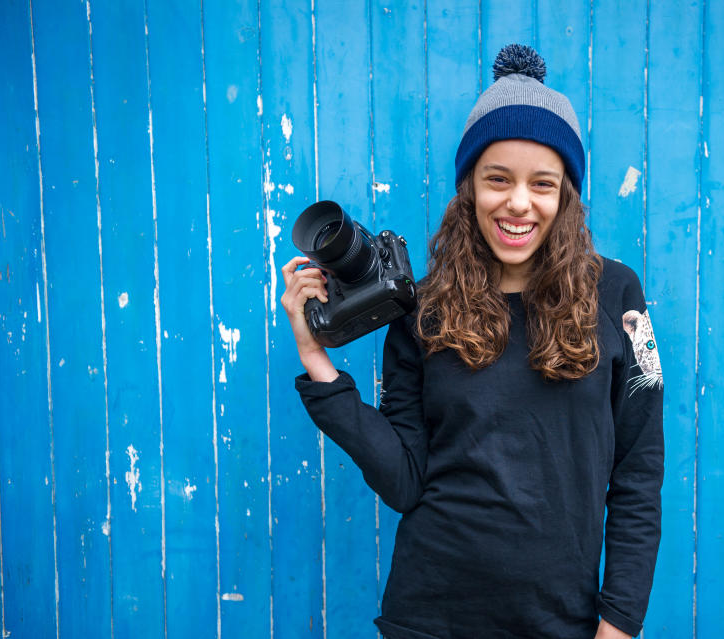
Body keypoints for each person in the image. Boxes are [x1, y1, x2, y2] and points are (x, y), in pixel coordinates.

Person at [281, 44, 663, 639]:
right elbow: (405, 480)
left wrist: (619, 624)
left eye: (542, 183)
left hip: (563, 623)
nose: (518, 202)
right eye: (497, 180)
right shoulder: (423, 309)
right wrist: (316, 361)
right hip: (432, 616)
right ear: (469, 190)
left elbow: (638, 473)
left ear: (566, 193)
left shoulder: (616, 293)